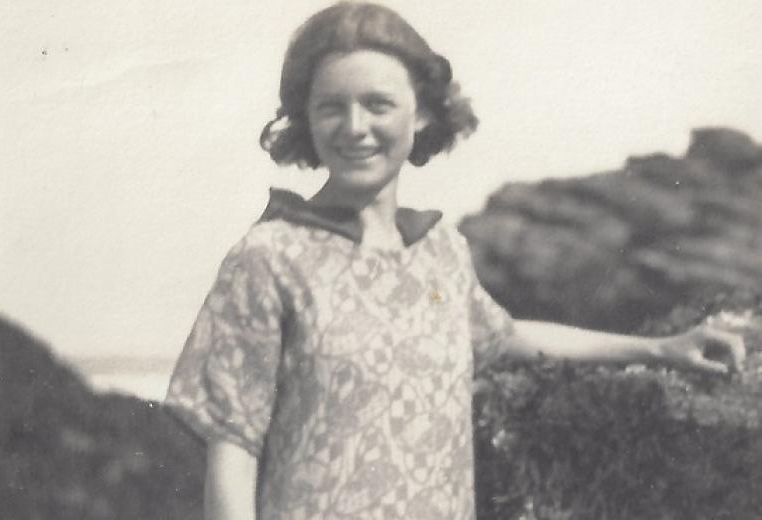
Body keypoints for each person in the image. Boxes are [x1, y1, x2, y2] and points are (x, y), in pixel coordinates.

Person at [164, 2, 746, 519]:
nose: (355, 128)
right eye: (331, 108)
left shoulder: (439, 249)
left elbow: (504, 335)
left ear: (420, 114)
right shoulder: (269, 258)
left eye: (378, 105)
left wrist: (661, 349)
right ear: (307, 121)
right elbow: (233, 450)